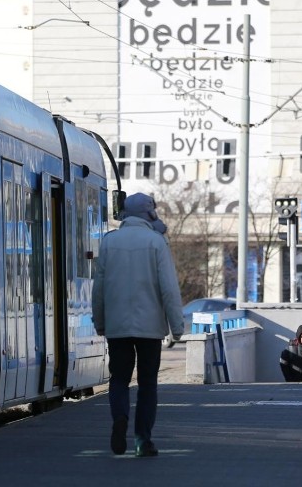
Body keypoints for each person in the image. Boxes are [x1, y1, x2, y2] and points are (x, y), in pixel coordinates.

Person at [92, 192, 184, 457]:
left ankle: (120, 418)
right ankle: (143, 440)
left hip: (118, 326)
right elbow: (169, 288)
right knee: (147, 384)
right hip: (150, 328)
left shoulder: (109, 242)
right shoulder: (156, 242)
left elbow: (99, 288)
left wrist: (100, 321)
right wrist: (177, 327)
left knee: (119, 379)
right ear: (149, 214)